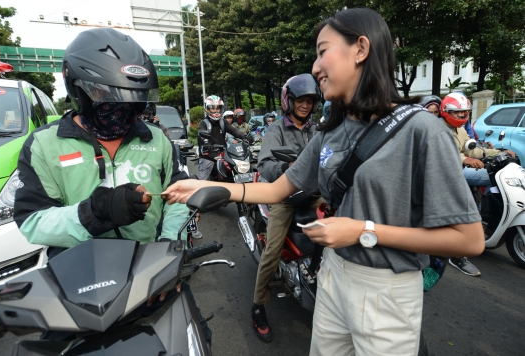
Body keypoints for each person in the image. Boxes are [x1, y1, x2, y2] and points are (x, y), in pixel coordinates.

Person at [164, 8, 484, 356]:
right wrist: (208, 187)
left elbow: (468, 239)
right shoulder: (331, 130)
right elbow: (275, 189)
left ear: (361, 49)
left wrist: (363, 230)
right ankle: (260, 301)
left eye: (322, 51)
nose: (315, 67)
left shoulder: (422, 131)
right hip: (333, 272)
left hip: (386, 290)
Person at [13, 28, 211, 345]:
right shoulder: (44, 145)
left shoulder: (156, 138)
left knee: (196, 340)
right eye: (109, 98)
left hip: (148, 279)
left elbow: (178, 196)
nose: (123, 109)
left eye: (131, 100)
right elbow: (32, 221)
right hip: (77, 287)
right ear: (79, 89)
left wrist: (168, 255)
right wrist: (94, 212)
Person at [251, 74, 323, 343]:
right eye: (301, 100)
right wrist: (285, 168)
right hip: (285, 196)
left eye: (310, 101)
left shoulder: (318, 129)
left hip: (315, 194)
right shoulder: (276, 130)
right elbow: (264, 164)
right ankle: (258, 305)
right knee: (272, 250)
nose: (305, 105)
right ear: (289, 101)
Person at [439, 92, 515, 277]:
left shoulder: (461, 129)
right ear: (447, 111)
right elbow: (441, 152)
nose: (462, 116)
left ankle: (485, 216)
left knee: (496, 177)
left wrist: (499, 152)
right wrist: (464, 160)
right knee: (463, 209)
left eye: (464, 112)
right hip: (444, 175)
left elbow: (472, 150)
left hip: (459, 171)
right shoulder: (438, 129)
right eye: (457, 113)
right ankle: (457, 256)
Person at [198, 96, 251, 180]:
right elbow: (202, 134)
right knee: (203, 180)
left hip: (224, 154)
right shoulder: (204, 124)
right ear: (207, 109)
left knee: (238, 168)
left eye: (218, 108)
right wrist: (206, 144)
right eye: (213, 108)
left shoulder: (223, 122)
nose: (216, 110)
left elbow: (234, 131)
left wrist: (244, 136)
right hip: (209, 156)